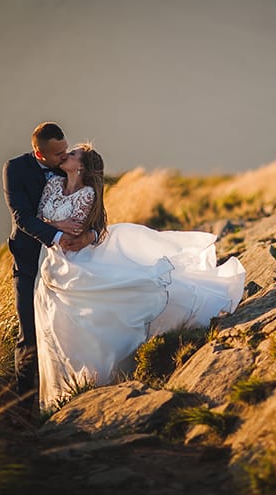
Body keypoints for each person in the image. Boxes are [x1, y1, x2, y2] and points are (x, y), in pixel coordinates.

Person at [34, 143, 246, 412]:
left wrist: (58, 229)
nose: (67, 155)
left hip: (74, 261)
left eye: (73, 153)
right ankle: (67, 386)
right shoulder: (53, 184)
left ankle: (98, 374)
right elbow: (39, 216)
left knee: (101, 306)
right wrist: (54, 228)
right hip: (51, 262)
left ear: (82, 167)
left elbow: (74, 227)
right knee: (54, 320)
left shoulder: (87, 194)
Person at [2, 123, 96, 416]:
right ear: (38, 152)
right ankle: (24, 407)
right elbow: (22, 217)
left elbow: (96, 217)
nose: (64, 156)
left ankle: (69, 395)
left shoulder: (69, 169)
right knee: (28, 334)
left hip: (68, 269)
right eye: (57, 153)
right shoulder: (15, 169)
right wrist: (57, 236)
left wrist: (87, 236)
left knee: (67, 332)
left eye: (66, 150)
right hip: (29, 263)